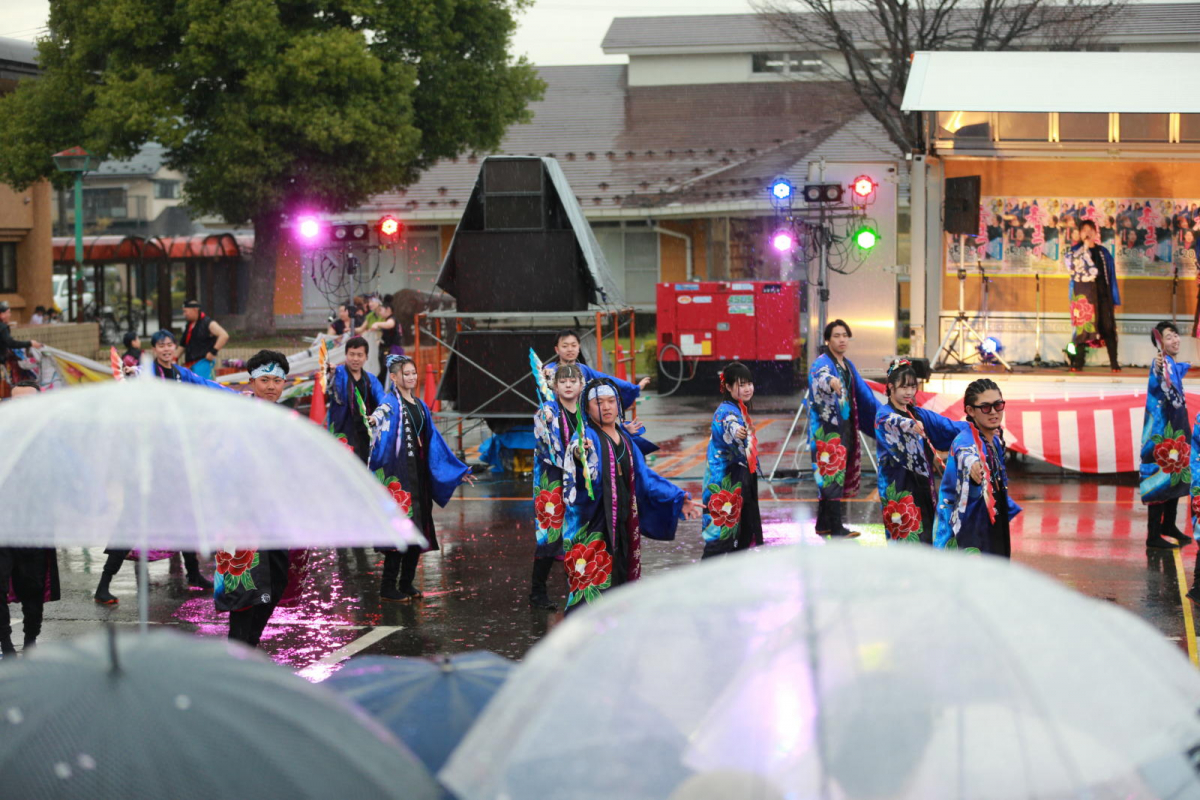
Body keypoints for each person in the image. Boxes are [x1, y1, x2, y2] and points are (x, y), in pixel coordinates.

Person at [94, 331, 224, 604]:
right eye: (161, 345)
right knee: (130, 522)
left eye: (170, 345)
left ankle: (193, 574)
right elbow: (136, 374)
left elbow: (206, 384)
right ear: (153, 349)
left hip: (173, 460)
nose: (166, 349)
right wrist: (131, 373)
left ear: (175, 348)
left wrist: (238, 394)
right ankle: (103, 584)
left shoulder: (180, 374)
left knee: (185, 516)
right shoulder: (148, 373)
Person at [559, 379, 701, 612]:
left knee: (620, 582)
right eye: (598, 402)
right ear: (587, 407)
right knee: (590, 589)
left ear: (618, 405)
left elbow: (645, 478)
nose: (606, 407)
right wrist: (579, 453)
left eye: (611, 401)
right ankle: (582, 641)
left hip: (623, 524)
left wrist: (677, 497)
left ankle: (613, 635)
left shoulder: (625, 439)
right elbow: (577, 456)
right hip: (595, 524)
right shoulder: (586, 437)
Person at [368, 355, 474, 601]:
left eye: (414, 373)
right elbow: (380, 414)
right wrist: (373, 420)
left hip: (419, 475)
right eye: (406, 373)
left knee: (418, 529)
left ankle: (406, 583)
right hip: (400, 476)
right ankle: (387, 586)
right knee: (399, 532)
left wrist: (457, 470)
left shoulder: (419, 404)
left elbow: (435, 441)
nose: (412, 377)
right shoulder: (390, 402)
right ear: (393, 377)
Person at [214, 350, 296, 647]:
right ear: (251, 382)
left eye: (277, 380)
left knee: (277, 581)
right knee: (244, 587)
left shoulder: (286, 418)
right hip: (240, 515)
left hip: (275, 516)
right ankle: (239, 648)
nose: (271, 386)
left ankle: (250, 642)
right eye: (265, 380)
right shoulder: (236, 416)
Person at [874, 359, 965, 544]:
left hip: (922, 484)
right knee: (903, 534)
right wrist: (909, 424)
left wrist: (976, 428)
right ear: (890, 387)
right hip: (898, 485)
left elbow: (946, 426)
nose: (909, 392)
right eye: (903, 387)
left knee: (926, 532)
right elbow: (892, 421)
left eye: (912, 387)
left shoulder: (918, 414)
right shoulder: (883, 414)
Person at [1, 381, 60, 656]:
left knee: (33, 588)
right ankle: (5, 646)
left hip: (34, 525)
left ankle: (31, 642)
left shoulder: (50, 436)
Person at [933, 379, 1021, 556]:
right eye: (986, 407)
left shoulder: (995, 440)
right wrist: (974, 465)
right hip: (963, 534)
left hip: (990, 527)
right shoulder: (964, 441)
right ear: (970, 411)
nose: (994, 412)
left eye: (998, 405)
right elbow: (967, 454)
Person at [806, 319, 878, 538]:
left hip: (843, 428)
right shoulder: (822, 363)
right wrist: (832, 383)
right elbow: (821, 378)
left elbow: (864, 394)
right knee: (831, 477)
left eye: (845, 335)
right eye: (836, 335)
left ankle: (823, 525)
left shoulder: (847, 364)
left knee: (831, 477)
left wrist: (883, 415)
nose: (842, 339)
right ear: (827, 340)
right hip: (826, 433)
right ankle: (836, 528)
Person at [529, 363, 588, 610]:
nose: (567, 385)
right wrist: (546, 419)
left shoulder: (587, 411)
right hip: (552, 481)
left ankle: (576, 585)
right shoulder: (549, 409)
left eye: (572, 381)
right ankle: (537, 592)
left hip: (578, 479)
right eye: (562, 381)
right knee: (550, 533)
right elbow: (540, 430)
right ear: (554, 386)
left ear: (581, 385)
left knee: (577, 530)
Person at [700, 362, 763, 558]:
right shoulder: (725, 412)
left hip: (738, 481)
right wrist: (738, 431)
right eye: (741, 384)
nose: (747, 389)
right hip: (724, 484)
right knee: (720, 538)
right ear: (727, 387)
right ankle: (707, 584)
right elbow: (730, 425)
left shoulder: (739, 407)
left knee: (740, 536)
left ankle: (731, 583)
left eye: (749, 383)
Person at [1140, 322, 1192, 549]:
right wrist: (1158, 364)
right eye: (1169, 337)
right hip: (1161, 434)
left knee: (1175, 479)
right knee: (1159, 482)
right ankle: (1152, 537)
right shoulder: (1161, 364)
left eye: (1176, 335)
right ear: (1160, 343)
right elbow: (1158, 370)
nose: (1176, 340)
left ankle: (1168, 525)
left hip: (1176, 431)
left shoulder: (1172, 364)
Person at [543, 329, 650, 410]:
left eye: (573, 345)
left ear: (579, 347)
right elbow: (546, 374)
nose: (570, 349)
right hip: (558, 416)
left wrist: (634, 387)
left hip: (580, 416)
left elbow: (607, 379)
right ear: (557, 349)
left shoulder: (584, 370)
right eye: (565, 346)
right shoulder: (551, 369)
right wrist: (547, 375)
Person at [1065, 219, 1121, 372]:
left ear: (1096, 233)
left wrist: (1114, 298)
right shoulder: (1075, 252)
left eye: (1091, 230)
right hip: (1085, 298)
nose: (1088, 233)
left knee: (1108, 328)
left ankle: (1114, 363)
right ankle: (1077, 363)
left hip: (1103, 297)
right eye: (1084, 230)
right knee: (1082, 330)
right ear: (1080, 234)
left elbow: (1111, 276)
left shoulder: (1103, 253)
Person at [325, 335, 385, 463]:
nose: (355, 359)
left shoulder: (371, 379)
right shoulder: (338, 373)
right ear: (346, 355)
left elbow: (383, 401)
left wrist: (377, 416)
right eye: (351, 354)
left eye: (360, 355)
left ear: (366, 357)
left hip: (365, 435)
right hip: (342, 432)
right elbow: (328, 384)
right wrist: (329, 373)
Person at [179, 299, 230, 380]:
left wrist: (213, 352)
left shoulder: (207, 322)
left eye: (186, 311)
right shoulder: (189, 325)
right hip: (191, 364)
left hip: (203, 363)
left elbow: (224, 335)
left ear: (194, 310)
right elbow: (183, 344)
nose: (184, 314)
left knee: (204, 388)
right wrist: (174, 358)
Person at [0, 300, 42, 395]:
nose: (10, 315)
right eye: (8, 312)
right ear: (2, 314)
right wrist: (29, 343)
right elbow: (10, 343)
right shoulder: (2, 327)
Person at [369, 300, 403, 381]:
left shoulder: (392, 319)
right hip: (389, 351)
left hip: (393, 351)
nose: (380, 312)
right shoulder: (388, 320)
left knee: (390, 374)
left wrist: (377, 324)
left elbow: (390, 324)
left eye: (381, 310)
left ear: (388, 310)